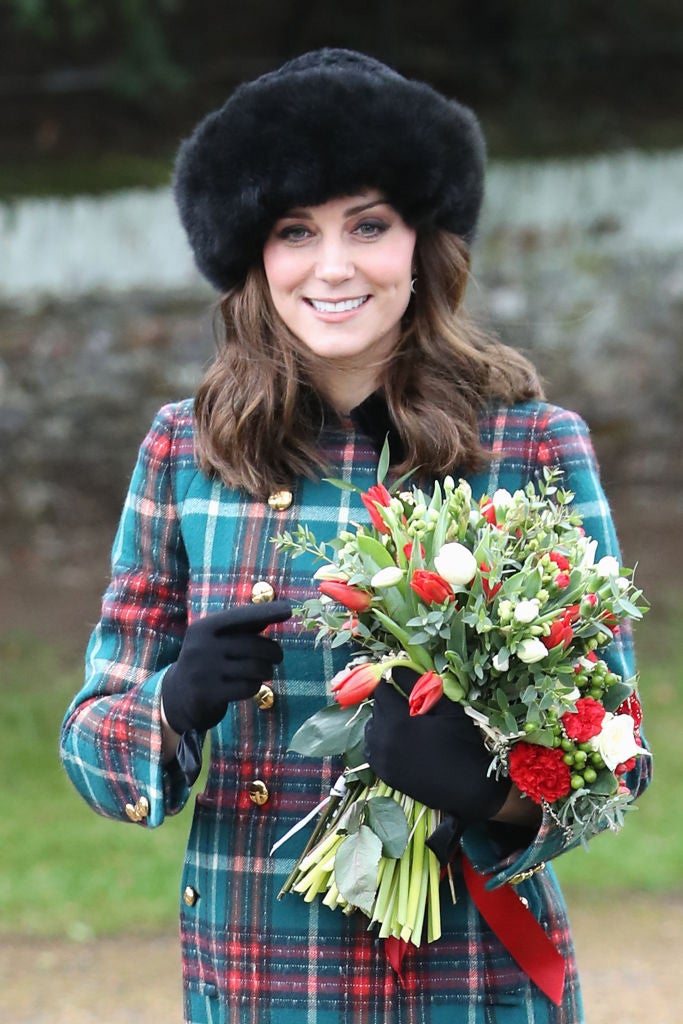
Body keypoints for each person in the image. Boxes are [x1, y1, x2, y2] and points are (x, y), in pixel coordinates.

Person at [60, 48, 651, 1024]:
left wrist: (488, 789)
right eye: (295, 231)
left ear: (422, 243)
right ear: (253, 256)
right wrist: (167, 703)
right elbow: (93, 742)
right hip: (256, 973)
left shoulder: (530, 443)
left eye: (367, 225)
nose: (332, 266)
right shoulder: (184, 450)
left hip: (469, 979)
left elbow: (615, 758)